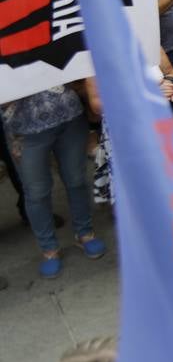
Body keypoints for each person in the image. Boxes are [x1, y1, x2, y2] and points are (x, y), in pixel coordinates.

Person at [3, 83, 106, 279]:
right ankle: (49, 249)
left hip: (69, 115)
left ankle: (85, 233)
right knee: (36, 192)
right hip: (23, 129)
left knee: (76, 179)